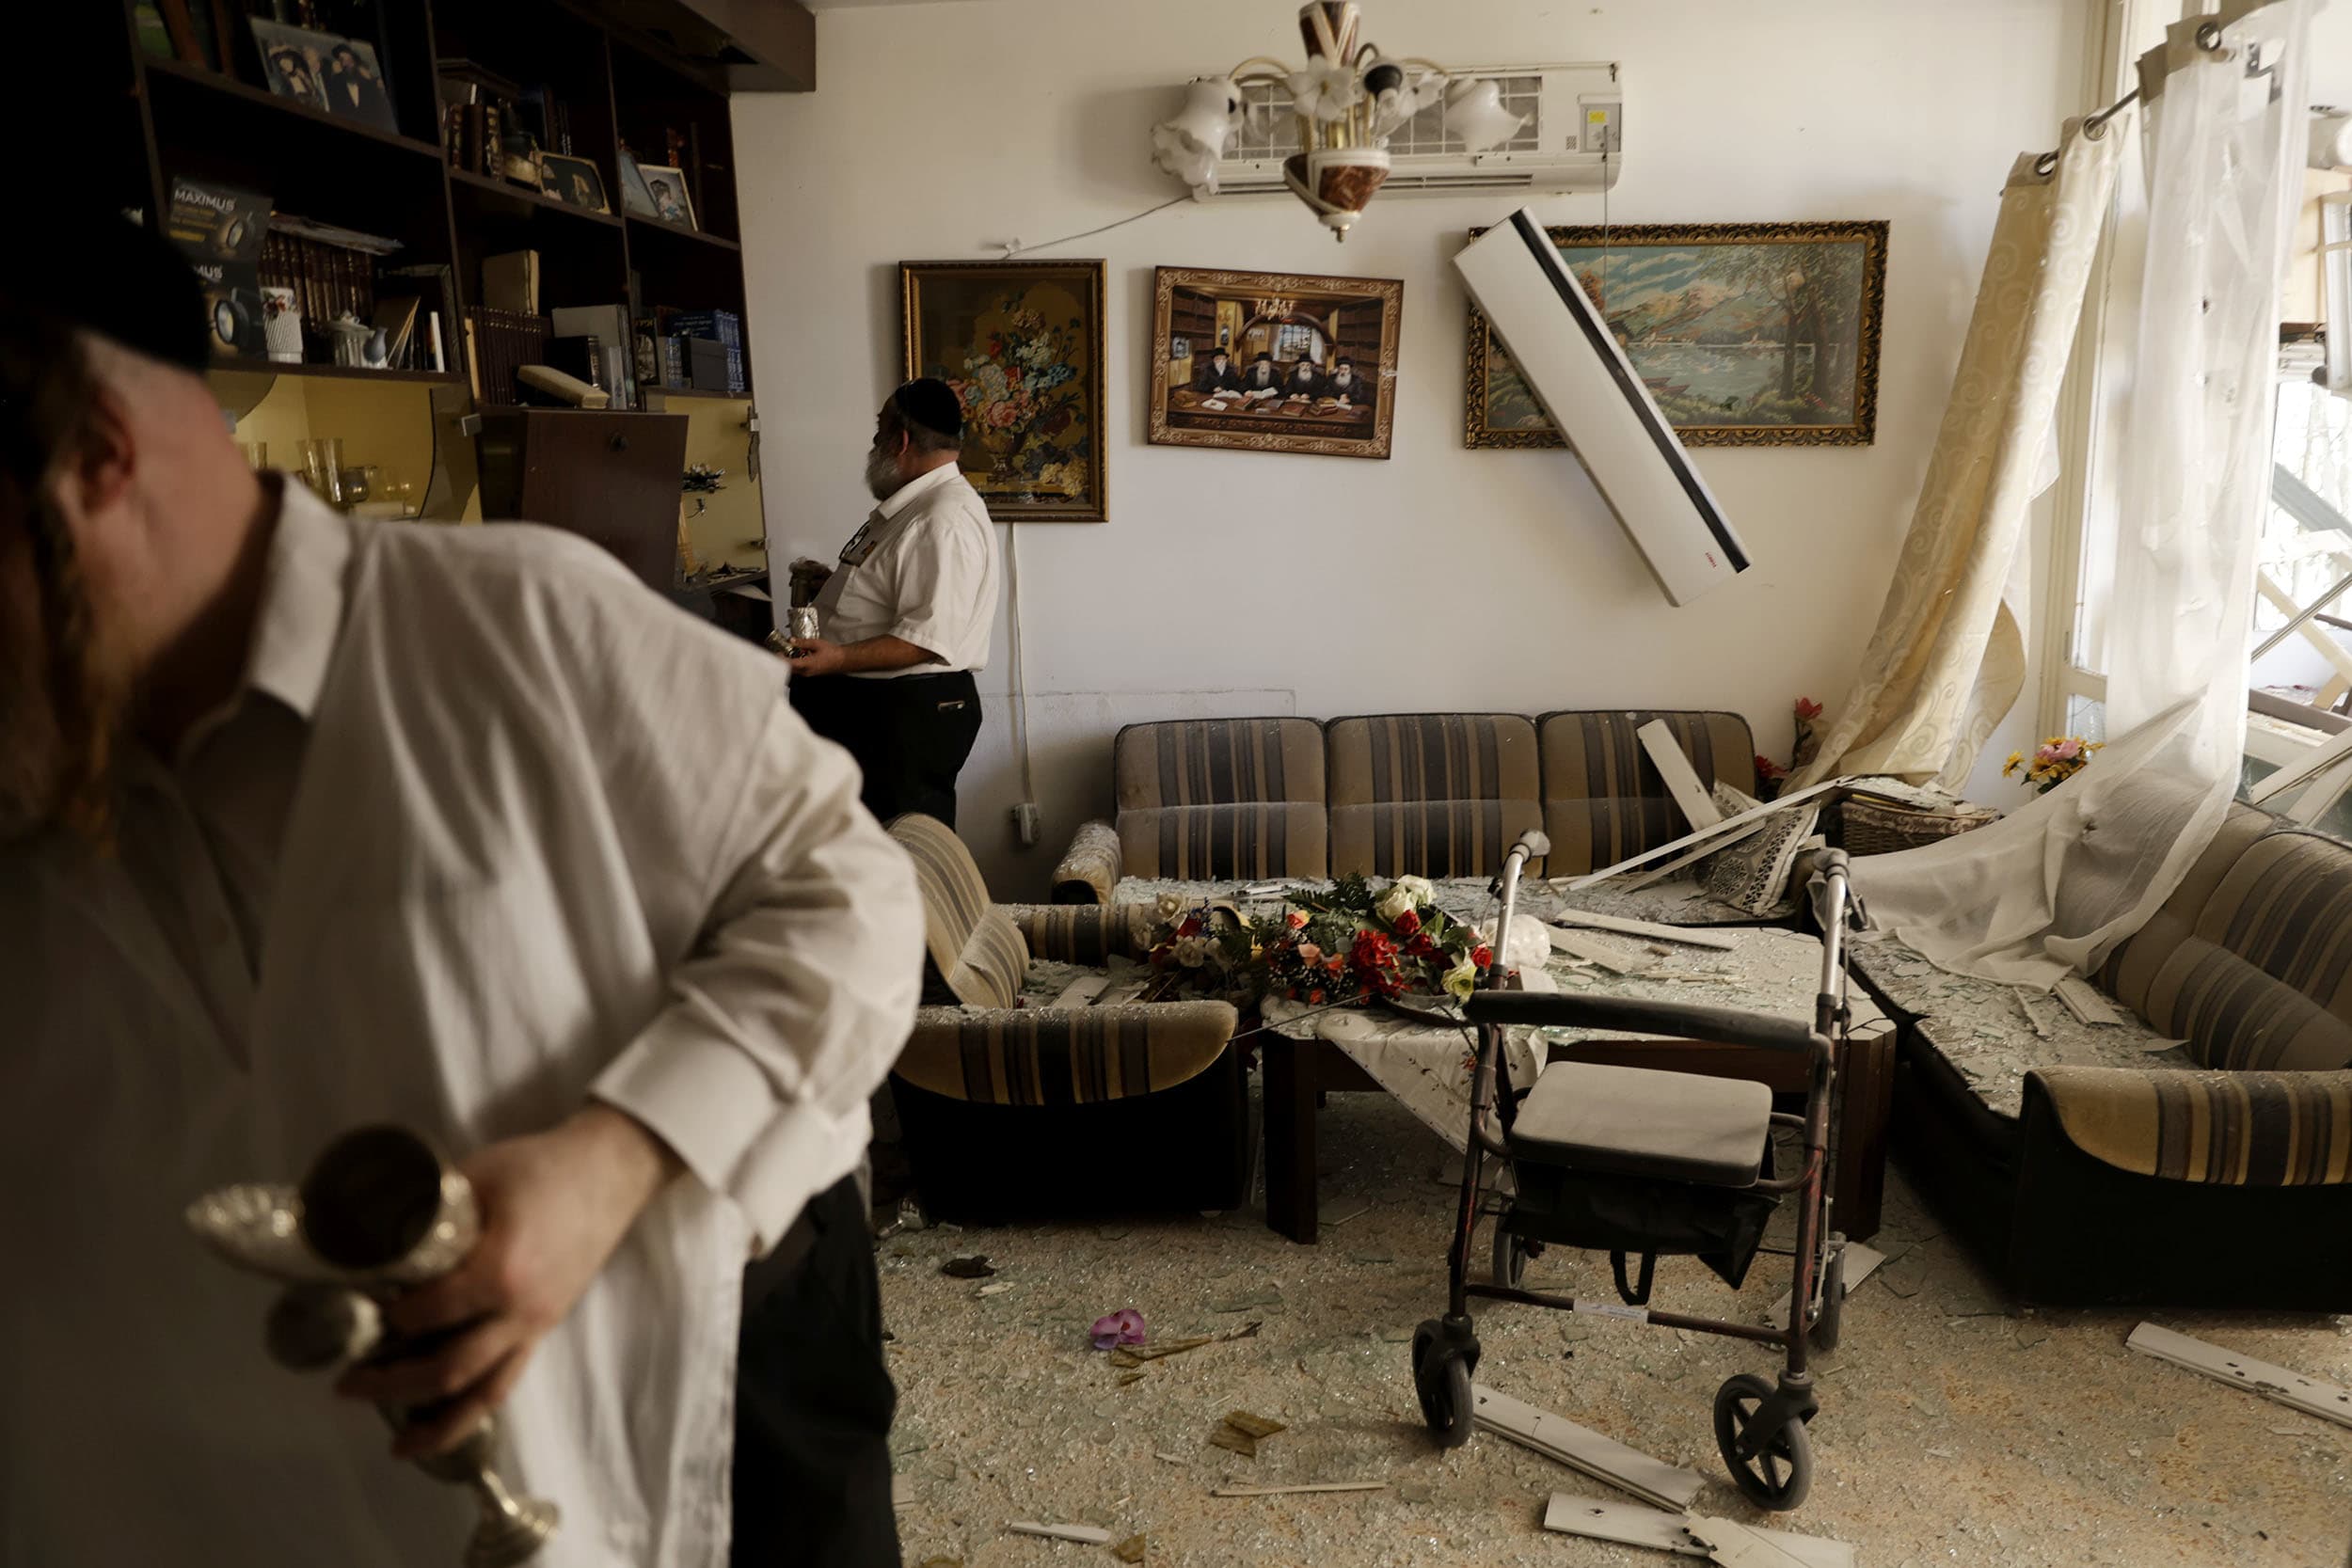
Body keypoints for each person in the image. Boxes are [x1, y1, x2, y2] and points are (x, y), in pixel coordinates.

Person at [0, 214, 925, 1567]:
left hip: (728, 1352)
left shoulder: (524, 622)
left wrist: (614, 1158)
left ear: (90, 456)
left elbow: (856, 900)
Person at [786, 379, 998, 829]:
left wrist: (837, 657)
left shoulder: (943, 519)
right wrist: (836, 586)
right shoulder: (917, 508)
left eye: (879, 431)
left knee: (901, 858)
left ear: (900, 441)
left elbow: (928, 640)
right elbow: (901, 596)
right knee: (866, 851)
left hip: (902, 716)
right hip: (881, 712)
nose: (874, 443)